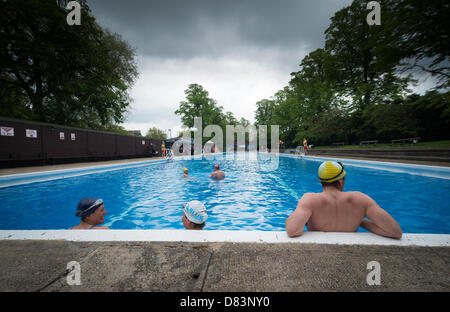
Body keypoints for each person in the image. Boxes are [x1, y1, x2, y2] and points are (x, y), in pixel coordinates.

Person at [285, 161, 402, 239]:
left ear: (320, 180)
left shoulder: (309, 200)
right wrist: (361, 221)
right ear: (341, 180)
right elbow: (395, 232)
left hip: (318, 255)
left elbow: (292, 230)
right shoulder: (361, 199)